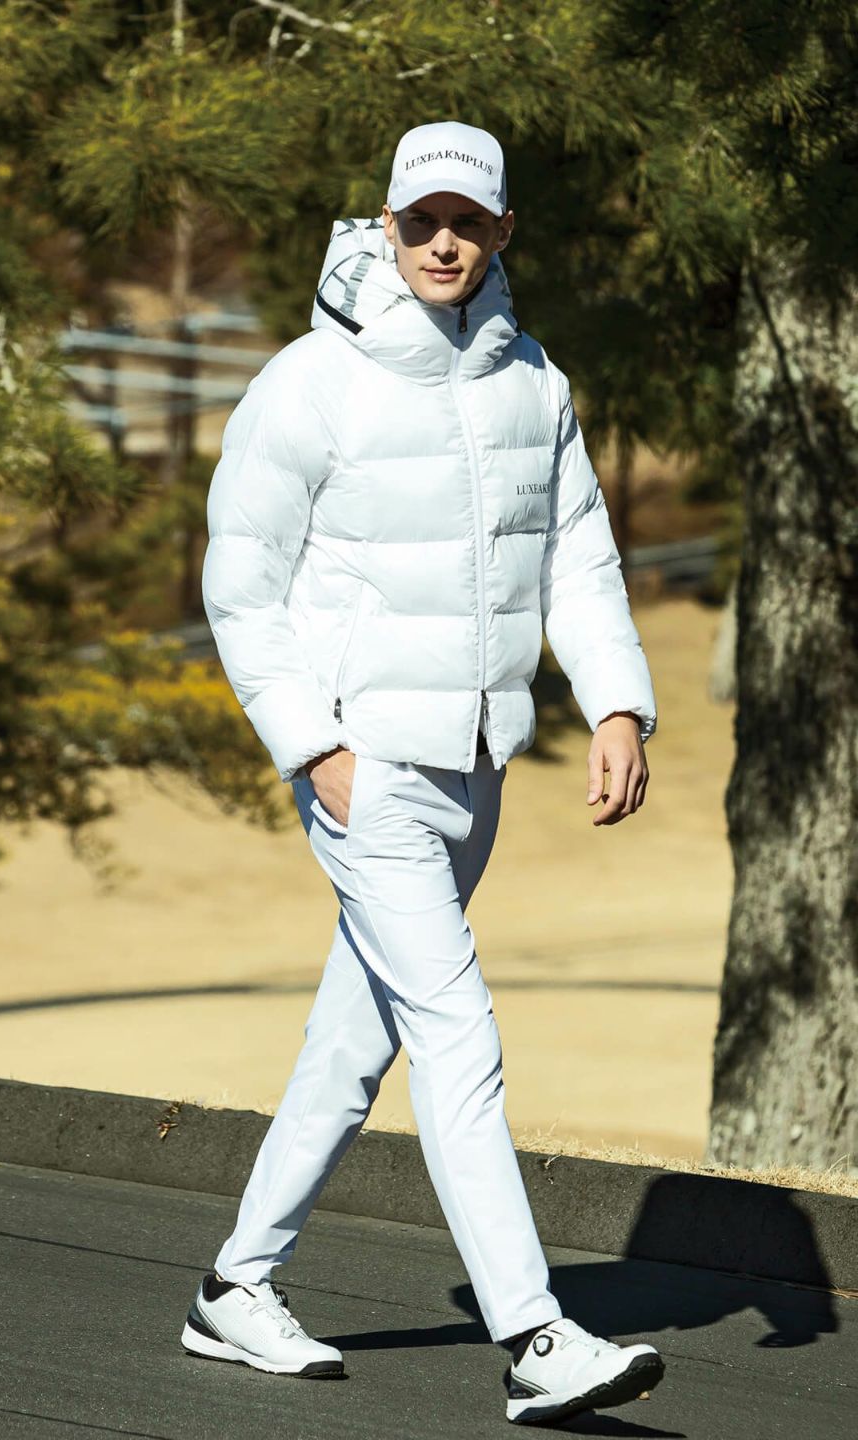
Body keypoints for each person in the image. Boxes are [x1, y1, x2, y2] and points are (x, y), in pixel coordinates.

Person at [182, 120, 666, 1427]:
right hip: (363, 765)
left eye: (468, 222)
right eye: (421, 221)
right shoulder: (312, 381)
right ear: (386, 225)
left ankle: (235, 1286)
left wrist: (618, 703)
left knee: (359, 1039)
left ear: (503, 231)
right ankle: (536, 1336)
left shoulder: (534, 382)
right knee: (457, 1029)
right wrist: (313, 744)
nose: (443, 243)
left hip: (477, 765)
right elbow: (240, 585)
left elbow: (577, 556)